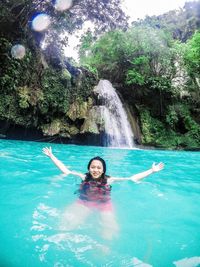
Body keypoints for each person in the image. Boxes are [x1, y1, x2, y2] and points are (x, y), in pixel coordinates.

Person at [42, 147, 164, 240]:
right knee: (64, 225)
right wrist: (51, 156)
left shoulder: (110, 180)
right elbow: (65, 170)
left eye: (99, 168)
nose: (95, 170)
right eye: (93, 167)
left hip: (104, 205)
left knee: (109, 232)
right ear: (89, 168)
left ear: (103, 169)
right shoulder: (83, 176)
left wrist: (152, 171)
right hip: (84, 202)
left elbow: (132, 179)